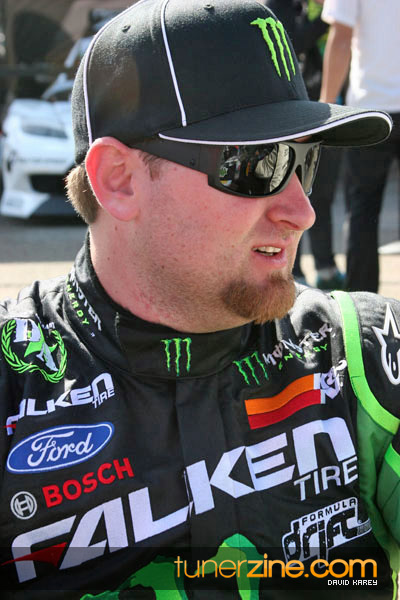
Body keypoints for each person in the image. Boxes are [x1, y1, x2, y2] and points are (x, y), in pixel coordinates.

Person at [0, 1, 398, 598]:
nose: (303, 212)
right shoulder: (14, 380)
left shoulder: (366, 356)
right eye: (259, 162)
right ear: (119, 180)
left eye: (306, 161)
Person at [264, 0, 345, 289]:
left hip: (324, 115)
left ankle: (326, 267)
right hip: (292, 120)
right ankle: (293, 271)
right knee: (290, 196)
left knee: (322, 196)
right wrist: (331, 16)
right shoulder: (277, 6)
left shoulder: (315, 7)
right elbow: (294, 41)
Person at [320, 0, 400, 293]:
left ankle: (361, 304)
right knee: (362, 210)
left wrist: (326, 107)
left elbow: (341, 37)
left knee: (362, 210)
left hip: (370, 107)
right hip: (369, 107)